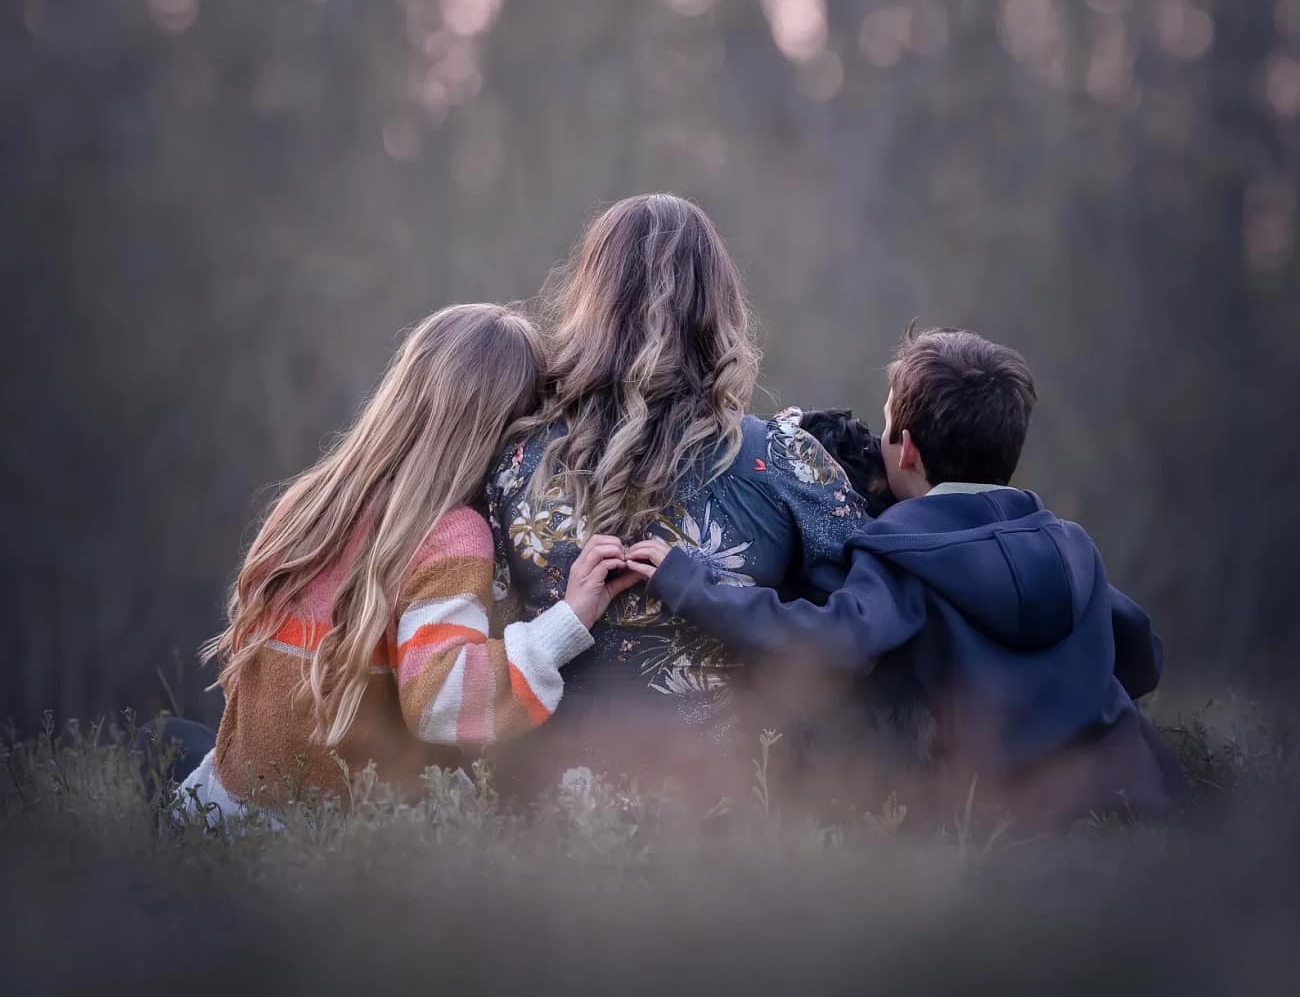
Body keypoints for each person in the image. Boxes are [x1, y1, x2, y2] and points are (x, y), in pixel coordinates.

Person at [627, 327, 1184, 826]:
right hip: (1128, 793)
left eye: (887, 424)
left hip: (1003, 810)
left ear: (907, 450)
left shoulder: (903, 553)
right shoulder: (1070, 545)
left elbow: (830, 641)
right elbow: (1143, 653)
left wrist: (692, 585)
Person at [179, 304, 640, 821]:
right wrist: (566, 623)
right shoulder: (449, 535)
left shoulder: (308, 502)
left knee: (172, 738)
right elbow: (442, 697)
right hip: (343, 839)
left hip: (223, 807)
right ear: (504, 433)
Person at [486, 194, 867, 781]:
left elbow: (467, 644)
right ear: (721, 308)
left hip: (545, 809)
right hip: (725, 810)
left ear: (590, 300)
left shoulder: (514, 459)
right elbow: (863, 634)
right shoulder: (787, 461)